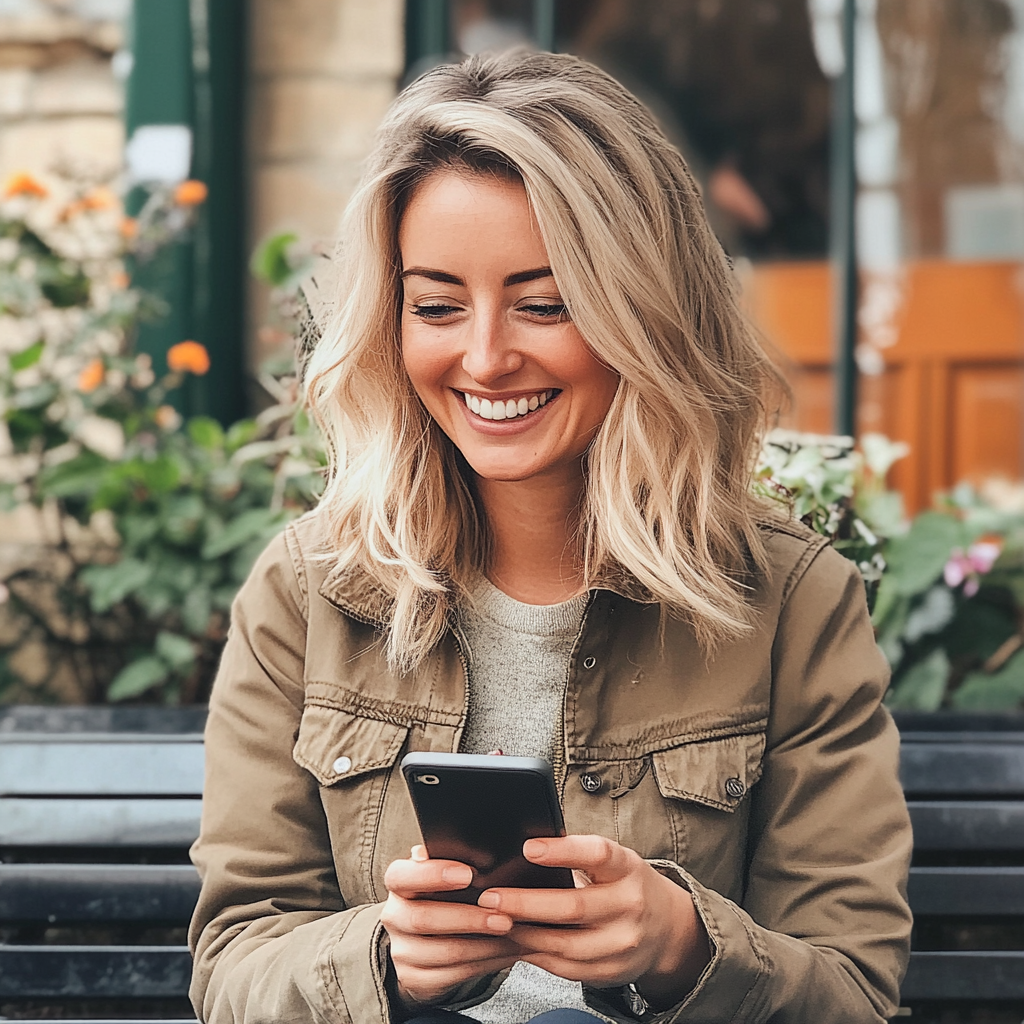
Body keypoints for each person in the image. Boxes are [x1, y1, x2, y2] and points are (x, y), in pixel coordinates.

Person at [188, 50, 912, 1024]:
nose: (485, 357)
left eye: (544, 302)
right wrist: (385, 958)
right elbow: (234, 962)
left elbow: (854, 991)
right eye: (436, 306)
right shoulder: (306, 592)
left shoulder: (790, 600)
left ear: (642, 310)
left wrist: (683, 948)